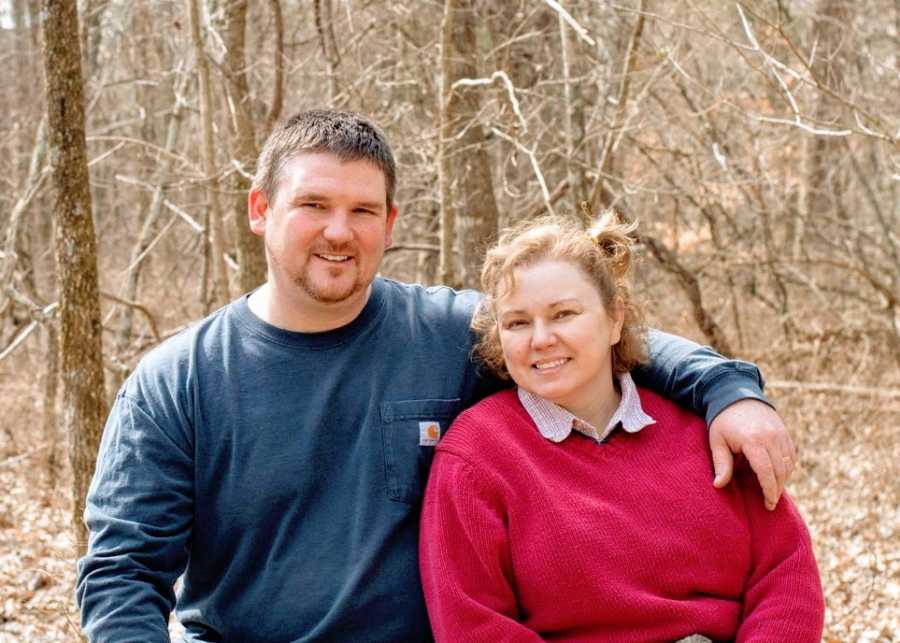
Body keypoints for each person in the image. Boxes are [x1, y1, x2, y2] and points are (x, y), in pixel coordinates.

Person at [76, 110, 798, 642]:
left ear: (390, 223)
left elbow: (590, 337)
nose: (339, 230)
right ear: (260, 210)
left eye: (363, 210)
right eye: (314, 205)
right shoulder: (177, 382)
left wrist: (728, 390)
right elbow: (121, 574)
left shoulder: (453, 333)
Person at [419, 214, 824, 642]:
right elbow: (474, 625)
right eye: (518, 322)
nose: (541, 339)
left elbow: (785, 569)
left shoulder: (706, 428)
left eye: (563, 314)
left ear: (615, 319)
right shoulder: (475, 457)